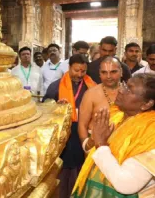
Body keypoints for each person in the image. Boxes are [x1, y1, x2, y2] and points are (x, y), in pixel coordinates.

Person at [72, 73, 155, 198]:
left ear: (147, 104)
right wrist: (94, 140)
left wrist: (100, 144)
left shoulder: (150, 132)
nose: (121, 90)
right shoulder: (117, 116)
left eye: (129, 89)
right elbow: (93, 152)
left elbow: (126, 184)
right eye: (124, 85)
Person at [42, 54, 96, 198]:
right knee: (65, 167)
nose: (79, 74)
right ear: (69, 68)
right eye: (76, 70)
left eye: (83, 71)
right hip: (64, 133)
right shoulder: (57, 85)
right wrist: (56, 107)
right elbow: (45, 106)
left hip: (84, 131)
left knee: (82, 165)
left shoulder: (91, 86)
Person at [78, 56, 122, 153]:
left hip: (123, 146)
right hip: (95, 145)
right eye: (104, 72)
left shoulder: (130, 93)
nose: (108, 76)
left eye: (113, 72)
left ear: (121, 72)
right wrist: (87, 147)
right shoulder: (91, 94)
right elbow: (82, 124)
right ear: (99, 74)